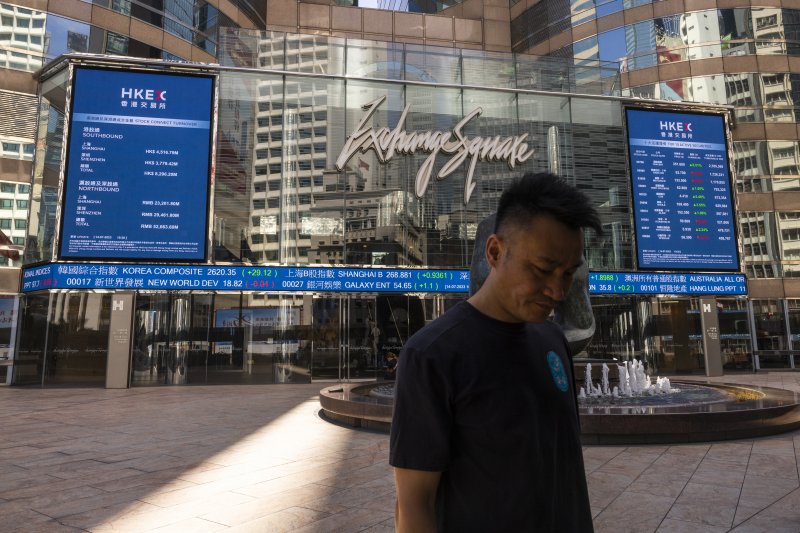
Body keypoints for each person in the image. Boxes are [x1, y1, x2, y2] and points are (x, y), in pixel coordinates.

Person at [389, 172, 602, 532]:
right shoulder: (432, 356)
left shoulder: (553, 341)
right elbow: (414, 506)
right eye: (542, 269)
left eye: (568, 273)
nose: (557, 290)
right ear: (494, 252)